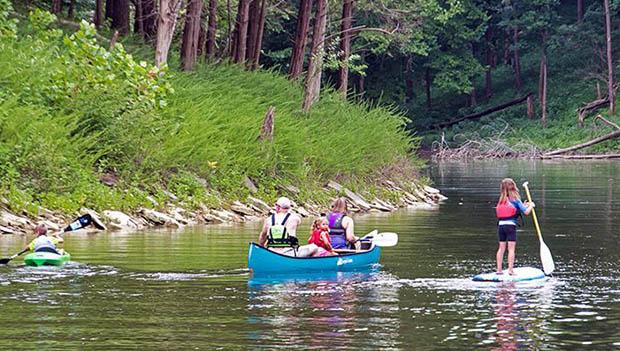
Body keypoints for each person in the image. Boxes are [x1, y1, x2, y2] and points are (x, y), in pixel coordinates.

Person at [495, 178, 535, 275]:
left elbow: (518, 208)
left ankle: (499, 270)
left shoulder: (501, 200)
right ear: (513, 187)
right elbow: (526, 212)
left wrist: (524, 205)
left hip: (501, 226)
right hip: (510, 226)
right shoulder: (516, 200)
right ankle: (510, 270)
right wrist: (531, 205)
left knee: (501, 248)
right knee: (511, 249)